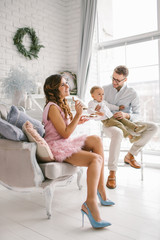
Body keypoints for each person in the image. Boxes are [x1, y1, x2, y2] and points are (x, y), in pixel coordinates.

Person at [43, 74, 114, 229]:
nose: (67, 86)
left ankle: (101, 190)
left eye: (66, 83)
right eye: (63, 84)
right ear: (53, 89)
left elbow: (64, 129)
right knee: (95, 159)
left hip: (64, 142)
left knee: (96, 139)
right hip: (57, 146)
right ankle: (90, 202)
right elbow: (65, 133)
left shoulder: (59, 105)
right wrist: (78, 114)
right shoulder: (52, 107)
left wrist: (78, 120)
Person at [103, 65, 158, 189]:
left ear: (125, 80)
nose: (114, 82)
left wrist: (126, 115)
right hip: (110, 124)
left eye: (117, 80)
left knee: (153, 127)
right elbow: (99, 106)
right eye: (113, 78)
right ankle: (112, 173)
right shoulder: (104, 89)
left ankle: (130, 155)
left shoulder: (132, 93)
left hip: (128, 123)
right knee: (117, 133)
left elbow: (138, 114)